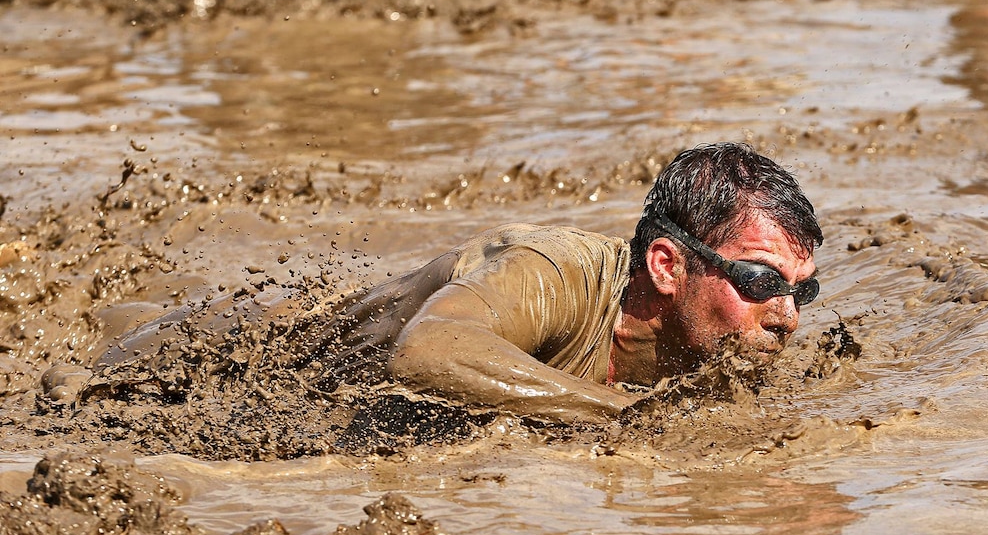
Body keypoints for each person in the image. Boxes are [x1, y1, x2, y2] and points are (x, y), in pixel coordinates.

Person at [283, 141, 823, 425]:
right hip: (292, 366)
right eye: (758, 279)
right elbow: (426, 353)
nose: (787, 315)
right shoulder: (552, 274)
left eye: (802, 290)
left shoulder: (717, 349)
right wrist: (624, 416)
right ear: (666, 267)